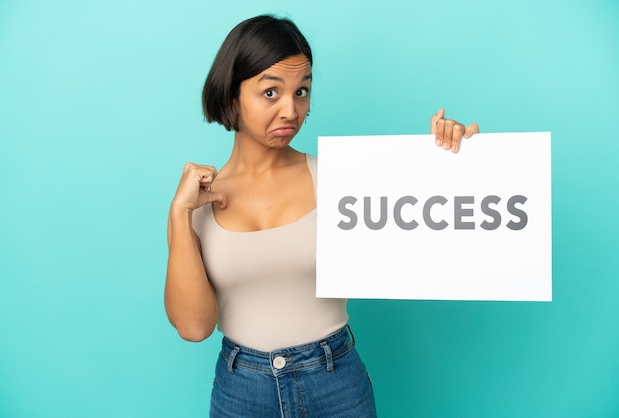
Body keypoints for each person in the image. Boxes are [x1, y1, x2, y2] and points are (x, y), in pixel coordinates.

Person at [164, 15, 479, 418]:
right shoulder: (196, 201)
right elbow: (194, 328)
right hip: (241, 389)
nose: (290, 110)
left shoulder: (340, 178)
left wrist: (452, 155)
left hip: (335, 382)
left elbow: (431, 218)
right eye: (271, 92)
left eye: (302, 91)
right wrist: (178, 215)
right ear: (231, 94)